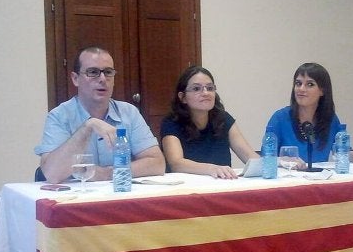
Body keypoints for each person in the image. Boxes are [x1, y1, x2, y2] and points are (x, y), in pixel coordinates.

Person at [34, 46, 165, 183]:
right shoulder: (59, 116)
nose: (102, 78)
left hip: (119, 196)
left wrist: (108, 173)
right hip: (76, 199)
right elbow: (52, 174)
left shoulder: (129, 112)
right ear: (75, 79)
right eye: (93, 72)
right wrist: (88, 126)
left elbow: (157, 163)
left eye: (108, 72)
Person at [266, 62, 353, 168]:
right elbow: (264, 159)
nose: (301, 89)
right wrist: (282, 161)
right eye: (298, 83)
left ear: (322, 91)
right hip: (288, 182)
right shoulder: (280, 118)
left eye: (310, 84)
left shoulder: (330, 119)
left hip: (319, 181)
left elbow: (341, 150)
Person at [160, 66, 259, 179]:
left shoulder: (223, 119)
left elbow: (249, 156)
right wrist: (212, 169)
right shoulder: (171, 123)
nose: (206, 93)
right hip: (186, 189)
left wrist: (270, 164)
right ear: (183, 97)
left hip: (221, 186)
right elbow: (176, 164)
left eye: (210, 88)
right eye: (197, 89)